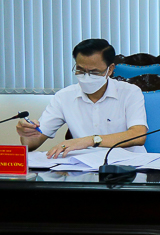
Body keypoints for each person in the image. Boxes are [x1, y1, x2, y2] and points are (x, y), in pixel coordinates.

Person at [15, 38, 147, 158]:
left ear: (110, 70)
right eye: (80, 70)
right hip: (84, 166)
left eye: (94, 72)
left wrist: (88, 141)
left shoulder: (130, 92)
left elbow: (138, 135)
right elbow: (32, 143)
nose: (86, 76)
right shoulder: (64, 96)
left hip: (129, 165)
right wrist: (27, 133)